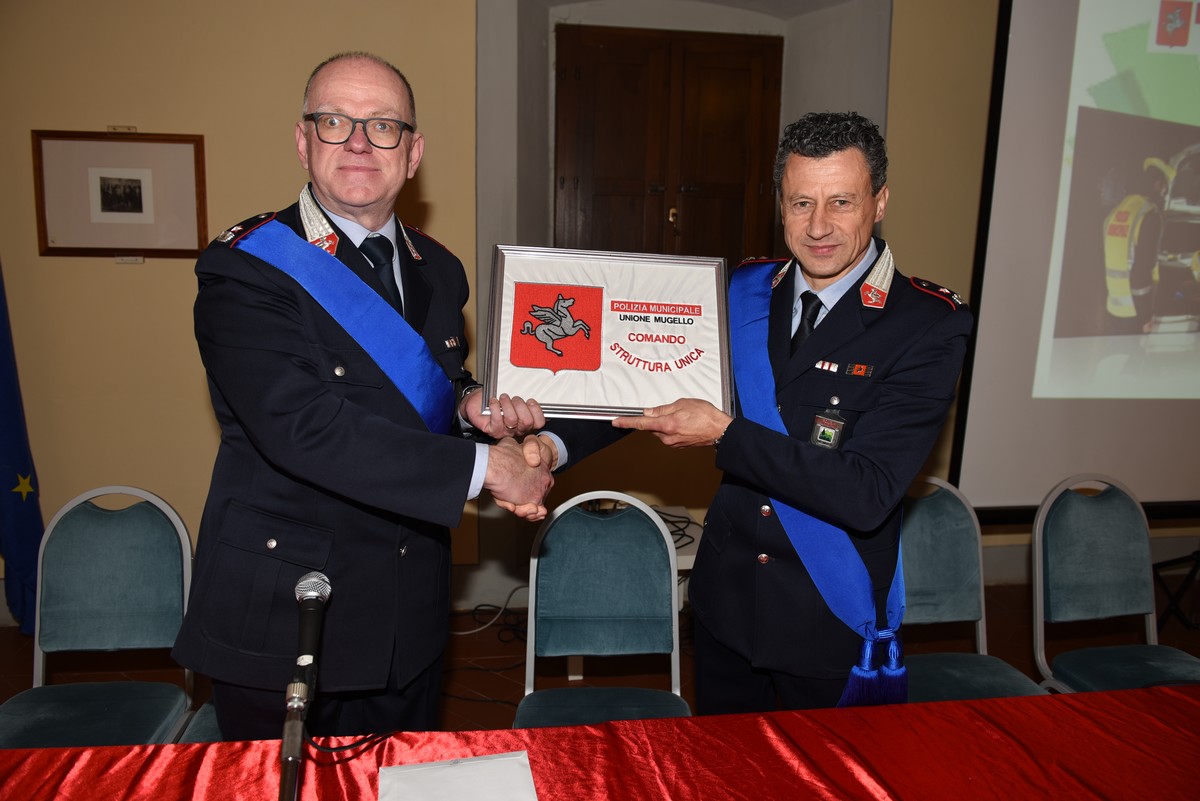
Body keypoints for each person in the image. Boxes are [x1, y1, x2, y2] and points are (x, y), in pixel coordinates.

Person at [172, 52, 554, 741]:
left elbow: (430, 384)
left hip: (409, 609)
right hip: (290, 609)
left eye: (382, 125)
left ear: (413, 153)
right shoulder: (247, 266)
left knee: (398, 782)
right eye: (334, 121)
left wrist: (469, 403)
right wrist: (489, 468)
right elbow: (304, 426)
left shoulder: (438, 268)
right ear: (303, 141)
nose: (356, 142)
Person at [612, 111, 974, 713]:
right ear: (781, 204)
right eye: (801, 203)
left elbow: (867, 491)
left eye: (841, 202)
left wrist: (726, 434)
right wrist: (551, 442)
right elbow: (646, 381)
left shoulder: (927, 324)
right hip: (726, 607)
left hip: (828, 613)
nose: (819, 226)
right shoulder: (744, 291)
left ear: (880, 202)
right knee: (724, 763)